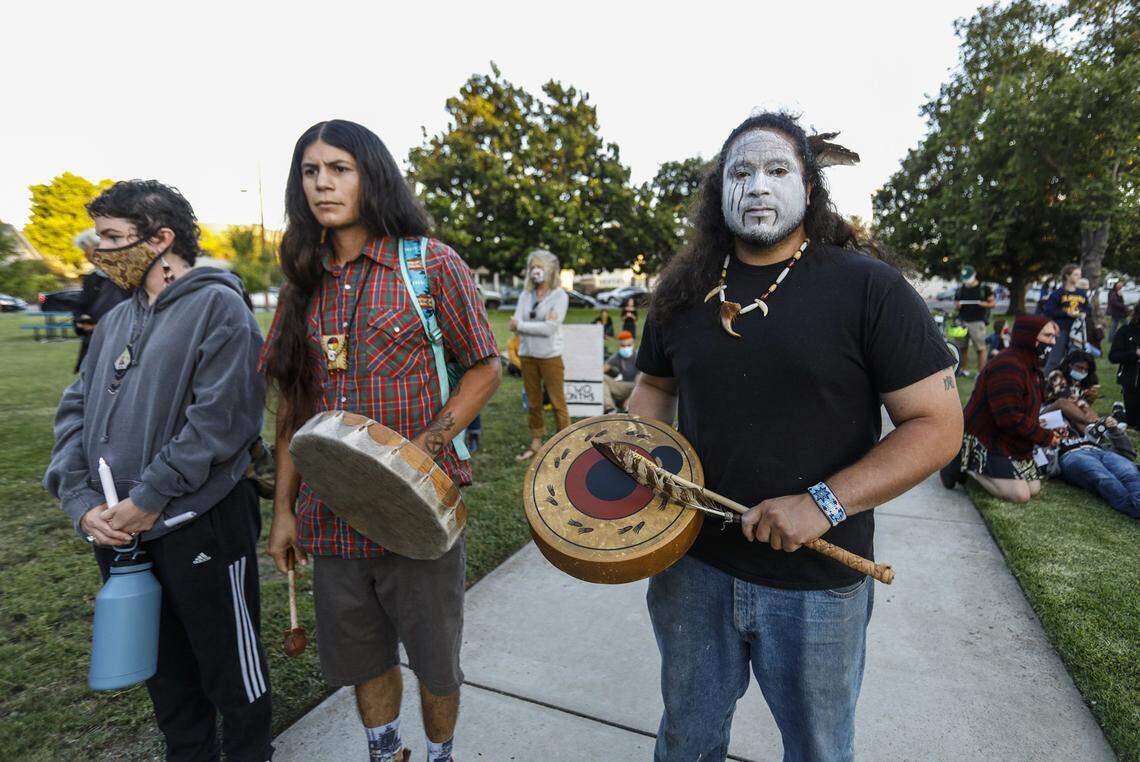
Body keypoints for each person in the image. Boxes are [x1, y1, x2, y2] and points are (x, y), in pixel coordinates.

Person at [628, 111, 962, 761]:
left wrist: (822, 504)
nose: (757, 186)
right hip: (692, 568)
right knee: (687, 739)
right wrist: (636, 460)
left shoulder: (869, 288)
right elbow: (655, 388)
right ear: (719, 193)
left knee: (818, 750)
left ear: (809, 189)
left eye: (777, 170)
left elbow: (938, 426)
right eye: (741, 172)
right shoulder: (682, 291)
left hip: (818, 581)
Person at [261, 120, 501, 762]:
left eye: (339, 168)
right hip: (330, 513)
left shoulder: (428, 264)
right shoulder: (301, 281)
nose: (322, 183)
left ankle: (440, 754)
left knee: (436, 661)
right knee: (364, 658)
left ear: (371, 176)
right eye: (310, 171)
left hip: (416, 510)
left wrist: (422, 449)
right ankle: (385, 753)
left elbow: (485, 366)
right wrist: (284, 510)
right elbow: (293, 407)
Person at [43, 180, 271, 760]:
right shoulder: (116, 319)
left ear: (160, 239)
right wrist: (82, 504)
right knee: (166, 675)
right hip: (118, 530)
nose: (100, 252)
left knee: (231, 670)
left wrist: (149, 497)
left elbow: (221, 422)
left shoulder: (219, 307)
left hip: (202, 523)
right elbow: (74, 412)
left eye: (112, 238)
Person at [947, 315, 1061, 503]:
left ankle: (985, 468)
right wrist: (1044, 436)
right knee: (1020, 494)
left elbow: (1028, 409)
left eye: (1054, 337)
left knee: (1034, 488)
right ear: (1029, 337)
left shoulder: (1030, 366)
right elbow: (1009, 417)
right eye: (1048, 336)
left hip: (1012, 439)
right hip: (985, 438)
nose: (1053, 342)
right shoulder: (1007, 366)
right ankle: (965, 463)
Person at [510, 249, 570, 461]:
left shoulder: (559, 295)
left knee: (557, 401)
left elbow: (549, 329)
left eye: (539, 266)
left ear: (550, 269)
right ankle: (536, 442)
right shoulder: (525, 295)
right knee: (533, 402)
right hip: (527, 355)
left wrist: (522, 325)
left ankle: (565, 444)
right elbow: (515, 325)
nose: (535, 271)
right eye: (532, 267)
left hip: (550, 356)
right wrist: (534, 325)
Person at [71, 228, 132, 372]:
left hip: (121, 343)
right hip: (95, 343)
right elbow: (82, 306)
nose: (86, 256)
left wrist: (98, 326)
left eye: (88, 250)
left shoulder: (128, 276)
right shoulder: (92, 278)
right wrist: (80, 321)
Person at [1043, 264, 1090, 373]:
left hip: (1077, 332)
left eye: (1080, 275)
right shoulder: (1058, 293)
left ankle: (1069, 381)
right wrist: (1066, 313)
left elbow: (1088, 309)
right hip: (1061, 330)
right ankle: (1046, 379)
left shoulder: (1082, 293)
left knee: (1075, 360)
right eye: (1076, 274)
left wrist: (1083, 313)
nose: (1079, 277)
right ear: (1067, 276)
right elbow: (1049, 310)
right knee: (1055, 359)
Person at [1043, 350, 1101, 434]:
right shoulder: (1056, 375)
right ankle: (1095, 424)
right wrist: (1088, 413)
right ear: (1069, 364)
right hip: (1047, 410)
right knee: (1063, 402)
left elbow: (1083, 404)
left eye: (1086, 370)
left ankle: (1093, 434)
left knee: (1075, 415)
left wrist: (1091, 396)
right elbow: (1068, 397)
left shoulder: (1082, 382)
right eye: (1080, 367)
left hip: (1068, 414)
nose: (1083, 372)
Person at [953, 265, 996, 372]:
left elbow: (992, 303)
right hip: (961, 322)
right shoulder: (960, 290)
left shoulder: (984, 289)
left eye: (968, 277)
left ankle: (981, 372)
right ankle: (964, 370)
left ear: (974, 274)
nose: (966, 280)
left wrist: (983, 304)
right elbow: (956, 304)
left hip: (977, 322)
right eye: (964, 278)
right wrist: (958, 305)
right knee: (962, 347)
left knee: (980, 348)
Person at [1108, 307, 1140, 427]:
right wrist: (1134, 354)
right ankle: (1119, 413)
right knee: (1133, 423)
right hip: (1132, 382)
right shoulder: (1125, 331)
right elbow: (1113, 356)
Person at [602, 330, 639, 413]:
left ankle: (628, 405)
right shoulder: (617, 356)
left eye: (628, 345)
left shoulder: (638, 356)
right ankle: (610, 408)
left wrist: (630, 398)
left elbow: (640, 381)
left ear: (633, 344)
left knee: (639, 380)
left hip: (637, 388)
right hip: (623, 386)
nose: (626, 348)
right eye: (623, 346)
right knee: (602, 378)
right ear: (619, 346)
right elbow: (602, 369)